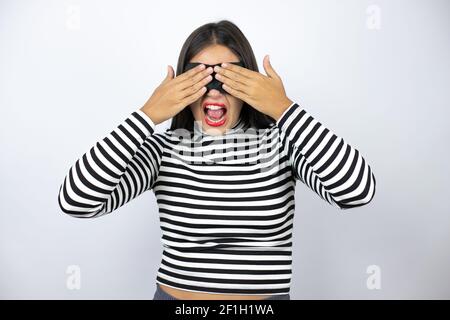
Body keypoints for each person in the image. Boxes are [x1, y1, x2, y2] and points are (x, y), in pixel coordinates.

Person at [57, 20, 376, 300]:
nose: (213, 91)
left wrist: (283, 108)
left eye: (228, 78)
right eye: (198, 78)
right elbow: (76, 201)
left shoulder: (283, 145)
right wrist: (147, 115)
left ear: (249, 84)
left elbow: (357, 191)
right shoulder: (163, 150)